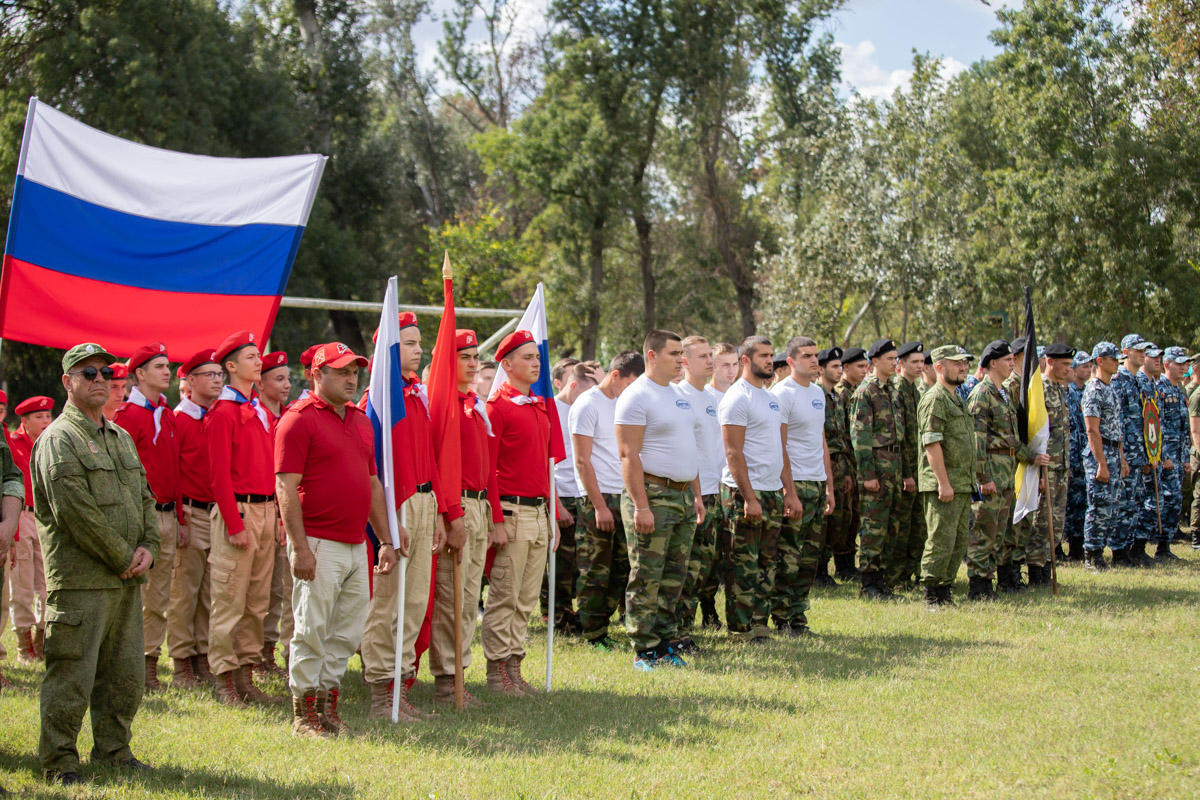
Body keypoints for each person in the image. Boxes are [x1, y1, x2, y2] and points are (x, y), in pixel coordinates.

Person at [32, 343, 159, 785]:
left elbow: (145, 497)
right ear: (67, 382)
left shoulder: (119, 436)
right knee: (72, 676)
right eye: (88, 373)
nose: (100, 379)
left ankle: (114, 750)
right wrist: (124, 556)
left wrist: (148, 546)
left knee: (124, 676)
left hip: (125, 582)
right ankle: (59, 761)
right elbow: (75, 511)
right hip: (83, 582)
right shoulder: (57, 438)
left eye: (106, 371)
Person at [276, 342, 397, 738]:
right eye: (342, 371)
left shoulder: (361, 421)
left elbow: (372, 483)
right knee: (312, 629)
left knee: (345, 633)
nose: (351, 378)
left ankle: (327, 710)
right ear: (316, 373)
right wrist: (300, 547)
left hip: (355, 544)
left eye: (354, 371)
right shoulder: (298, 420)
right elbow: (286, 488)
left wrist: (385, 539)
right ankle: (303, 715)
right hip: (318, 541)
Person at [359, 312, 446, 719]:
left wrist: (441, 512)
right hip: (397, 502)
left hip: (424, 499)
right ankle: (380, 689)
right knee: (388, 600)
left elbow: (429, 458)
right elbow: (374, 469)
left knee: (414, 601)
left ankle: (401, 685)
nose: (419, 349)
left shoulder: (417, 395)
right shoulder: (377, 401)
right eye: (409, 343)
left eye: (419, 343)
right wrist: (388, 521)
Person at [615, 330, 703, 669]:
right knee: (647, 575)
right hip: (652, 494)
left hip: (681, 496)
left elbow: (687, 446)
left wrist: (694, 494)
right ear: (651, 355)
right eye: (674, 353)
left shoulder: (679, 395)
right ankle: (644, 648)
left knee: (673, 576)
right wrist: (641, 506)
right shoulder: (637, 396)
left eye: (682, 353)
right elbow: (628, 455)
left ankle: (666, 643)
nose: (681, 359)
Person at [482, 330, 563, 695]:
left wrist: (552, 516)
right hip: (512, 513)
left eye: (537, 357)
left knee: (527, 598)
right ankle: (497, 673)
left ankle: (514, 667)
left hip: (538, 513)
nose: (536, 363)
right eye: (528, 357)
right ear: (507, 364)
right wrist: (496, 519)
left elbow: (546, 469)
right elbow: (489, 470)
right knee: (505, 595)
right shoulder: (495, 408)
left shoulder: (539, 407)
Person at [205, 330, 283, 707]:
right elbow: (218, 476)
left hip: (266, 508)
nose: (258, 361)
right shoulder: (222, 413)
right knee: (229, 598)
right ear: (231, 366)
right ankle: (223, 681)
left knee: (256, 600)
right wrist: (235, 525)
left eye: (258, 356)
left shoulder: (259, 412)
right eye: (251, 357)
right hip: (239, 510)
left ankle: (245, 675)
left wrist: (277, 513)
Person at [719, 336, 801, 643]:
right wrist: (749, 498)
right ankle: (739, 631)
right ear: (745, 360)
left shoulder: (770, 398)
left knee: (767, 564)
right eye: (763, 356)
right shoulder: (737, 397)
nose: (770, 360)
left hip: (771, 493)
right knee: (743, 566)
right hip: (744, 494)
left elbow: (780, 449)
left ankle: (758, 626)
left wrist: (789, 492)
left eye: (770, 355)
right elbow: (733, 453)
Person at [113, 343, 184, 691]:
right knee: (136, 596)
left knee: (160, 598)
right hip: (142, 518)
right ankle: (126, 666)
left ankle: (149, 666)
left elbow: (175, 470)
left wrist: (180, 517)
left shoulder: (166, 414)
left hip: (169, 516)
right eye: (158, 366)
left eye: (168, 365)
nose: (166, 371)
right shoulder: (127, 416)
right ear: (139, 374)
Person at [428, 330, 494, 706]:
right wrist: (450, 512)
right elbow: (440, 464)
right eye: (463, 357)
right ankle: (446, 683)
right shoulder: (443, 405)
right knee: (452, 599)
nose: (472, 364)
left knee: (469, 599)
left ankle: (460, 677)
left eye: (474, 357)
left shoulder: (472, 402)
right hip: (458, 505)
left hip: (479, 505)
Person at [570, 351, 643, 650]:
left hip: (625, 494)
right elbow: (582, 461)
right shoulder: (587, 404)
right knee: (595, 569)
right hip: (598, 497)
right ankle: (591, 632)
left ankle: (605, 624)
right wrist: (599, 506)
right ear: (615, 375)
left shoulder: (626, 404)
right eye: (630, 384)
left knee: (622, 567)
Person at [770, 336, 834, 636]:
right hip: (795, 483)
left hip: (817, 483)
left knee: (809, 559)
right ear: (791, 361)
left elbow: (821, 441)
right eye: (807, 356)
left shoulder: (818, 393)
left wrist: (829, 486)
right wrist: (789, 491)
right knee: (789, 557)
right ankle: (782, 619)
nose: (814, 360)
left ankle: (798, 618)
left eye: (815, 355)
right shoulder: (782, 394)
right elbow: (778, 445)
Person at [167, 349, 222, 688]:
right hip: (190, 510)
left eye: (219, 374)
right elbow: (172, 473)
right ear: (189, 382)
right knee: (183, 592)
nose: (217, 379)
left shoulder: (215, 416)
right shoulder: (179, 419)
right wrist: (179, 520)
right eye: (209, 374)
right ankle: (181, 661)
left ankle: (202, 655)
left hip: (215, 513)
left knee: (209, 593)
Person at [917, 346, 974, 607]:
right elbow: (932, 443)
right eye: (957, 363)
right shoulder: (935, 398)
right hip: (945, 483)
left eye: (965, 363)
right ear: (939, 367)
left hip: (961, 482)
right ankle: (931, 593)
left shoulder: (957, 397)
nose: (963, 367)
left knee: (958, 541)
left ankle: (945, 590)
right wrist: (943, 482)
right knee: (941, 539)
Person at [676, 335, 725, 632]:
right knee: (687, 567)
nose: (710, 361)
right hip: (691, 494)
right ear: (685, 362)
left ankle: (695, 621)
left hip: (713, 491)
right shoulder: (679, 396)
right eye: (703, 356)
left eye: (711, 355)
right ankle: (679, 627)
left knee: (706, 565)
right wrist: (697, 493)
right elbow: (686, 450)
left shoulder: (710, 398)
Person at [851, 339, 907, 598]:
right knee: (874, 526)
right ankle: (869, 583)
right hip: (877, 466)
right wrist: (868, 475)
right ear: (875, 362)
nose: (895, 363)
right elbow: (860, 438)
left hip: (893, 466)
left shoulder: (892, 390)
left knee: (891, 525)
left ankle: (882, 579)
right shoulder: (866, 392)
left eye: (896, 358)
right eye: (890, 359)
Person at [543, 358, 595, 635]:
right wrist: (557, 504)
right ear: (571, 385)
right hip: (561, 495)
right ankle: (559, 619)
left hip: (584, 494)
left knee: (583, 563)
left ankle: (579, 616)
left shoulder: (587, 407)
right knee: (561, 566)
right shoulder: (550, 410)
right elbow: (544, 461)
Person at [7, 396, 54, 663]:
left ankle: (41, 638)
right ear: (24, 421)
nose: (46, 422)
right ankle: (25, 647)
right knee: (22, 584)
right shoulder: (13, 444)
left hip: (46, 519)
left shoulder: (52, 445)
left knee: (47, 583)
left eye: (48, 416)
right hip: (23, 516)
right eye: (39, 417)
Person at [695, 341, 738, 625]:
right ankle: (706, 608)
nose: (730, 370)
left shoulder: (740, 395)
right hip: (708, 486)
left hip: (732, 486)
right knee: (705, 556)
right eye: (724, 364)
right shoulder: (704, 396)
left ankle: (722, 610)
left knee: (729, 552)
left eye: (735, 364)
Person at [257, 351, 293, 676]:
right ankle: (256, 654)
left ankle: (271, 652)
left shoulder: (289, 417)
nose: (286, 385)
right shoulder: (254, 415)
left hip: (283, 516)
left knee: (281, 587)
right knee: (260, 587)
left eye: (288, 378)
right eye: (278, 378)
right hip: (260, 510)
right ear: (261, 382)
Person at [1026, 343, 1074, 585]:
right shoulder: (1040, 390)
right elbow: (1035, 431)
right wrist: (1039, 473)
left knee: (1056, 521)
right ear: (1050, 362)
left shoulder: (1060, 389)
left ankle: (1047, 563)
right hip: (1046, 467)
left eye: (1070, 365)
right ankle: (1036, 569)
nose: (1069, 369)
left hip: (1061, 466)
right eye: (1064, 364)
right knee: (1042, 521)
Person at [1082, 342, 1129, 569]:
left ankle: (1099, 552)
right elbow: (1092, 429)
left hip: (1112, 451)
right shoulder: (1094, 390)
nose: (1117, 362)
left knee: (1111, 507)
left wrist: (1121, 459)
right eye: (1113, 358)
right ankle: (1091, 555)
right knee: (1099, 506)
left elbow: (1116, 428)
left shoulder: (1110, 388)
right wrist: (1101, 463)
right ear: (1100, 360)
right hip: (1099, 454)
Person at [1113, 334, 1153, 566]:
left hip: (1140, 454)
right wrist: (1122, 457)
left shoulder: (1142, 381)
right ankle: (1119, 553)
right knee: (1124, 504)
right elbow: (1116, 422)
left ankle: (1131, 550)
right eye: (1138, 350)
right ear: (1126, 352)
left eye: (1143, 350)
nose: (1142, 353)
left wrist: (1150, 454)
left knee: (1136, 503)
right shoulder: (1119, 380)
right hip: (1126, 453)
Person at [827, 346, 867, 580]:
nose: (865, 370)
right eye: (859, 366)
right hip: (840, 462)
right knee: (841, 516)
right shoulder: (841, 394)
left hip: (851, 463)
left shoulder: (855, 392)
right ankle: (841, 564)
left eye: (865, 366)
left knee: (852, 516)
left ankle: (846, 564)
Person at [890, 341, 925, 589]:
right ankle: (897, 576)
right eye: (915, 362)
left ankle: (911, 571)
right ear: (901, 364)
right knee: (901, 528)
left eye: (922, 362)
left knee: (917, 525)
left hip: (919, 468)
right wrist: (906, 473)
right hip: (905, 471)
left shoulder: (917, 391)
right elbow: (898, 438)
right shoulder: (897, 391)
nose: (920, 366)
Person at [817, 347, 851, 587]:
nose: (839, 371)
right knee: (823, 520)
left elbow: (844, 436)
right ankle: (818, 570)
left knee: (838, 519)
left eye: (840, 366)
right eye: (834, 367)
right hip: (822, 463)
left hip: (840, 464)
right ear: (821, 370)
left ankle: (828, 568)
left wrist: (847, 470)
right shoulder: (816, 395)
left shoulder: (836, 398)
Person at [1152, 347, 1189, 561]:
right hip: (1166, 458)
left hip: (1178, 456)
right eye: (1179, 363)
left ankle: (1165, 546)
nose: (1183, 367)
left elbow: (1182, 430)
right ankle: (1160, 545)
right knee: (1169, 500)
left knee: (1175, 501)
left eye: (1185, 364)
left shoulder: (1178, 390)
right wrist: (1164, 456)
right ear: (1167, 364)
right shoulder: (1161, 389)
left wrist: (1184, 459)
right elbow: (1157, 426)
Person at [1065, 350, 1092, 560]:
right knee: (1070, 504)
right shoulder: (1069, 392)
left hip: (1083, 456)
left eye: (1089, 365)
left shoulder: (1085, 392)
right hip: (1071, 457)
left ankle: (1077, 546)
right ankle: (1066, 547)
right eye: (1083, 366)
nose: (1088, 369)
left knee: (1081, 502)